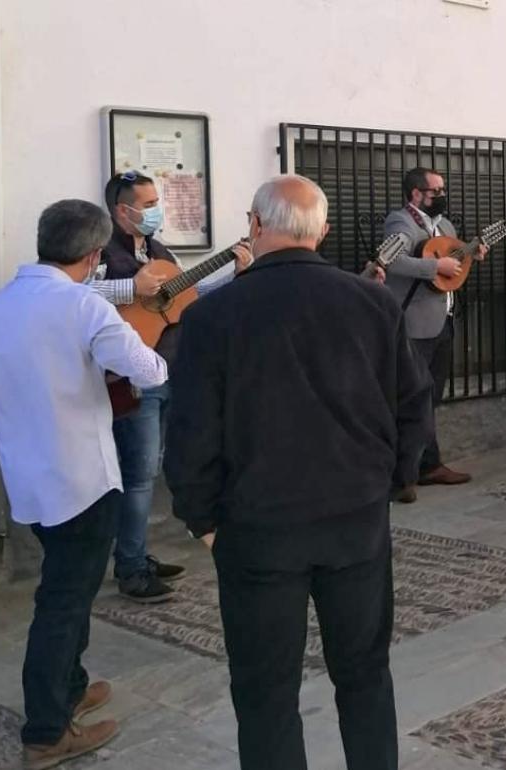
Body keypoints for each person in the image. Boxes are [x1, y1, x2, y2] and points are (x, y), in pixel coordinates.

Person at [164, 175, 432, 770]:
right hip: (355, 525)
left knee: (265, 695)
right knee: (364, 677)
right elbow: (415, 406)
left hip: (258, 532)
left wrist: (202, 520)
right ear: (323, 233)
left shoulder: (213, 317)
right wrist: (389, 485)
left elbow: (188, 435)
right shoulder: (372, 302)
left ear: (255, 227)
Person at [0, 200, 168, 768]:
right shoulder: (83, 308)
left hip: (30, 478)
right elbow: (149, 370)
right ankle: (45, 731)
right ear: (93, 256)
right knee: (63, 602)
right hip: (82, 480)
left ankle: (70, 685)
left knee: (69, 589)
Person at [92, 170, 251, 603]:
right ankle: (130, 568)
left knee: (154, 470)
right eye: (146, 204)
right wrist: (130, 286)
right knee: (139, 475)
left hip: (172, 371)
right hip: (132, 379)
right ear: (120, 210)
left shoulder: (158, 251)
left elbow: (187, 295)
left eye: (156, 201)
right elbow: (78, 292)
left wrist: (234, 271)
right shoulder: (100, 251)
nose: (154, 210)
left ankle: (138, 555)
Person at [366, 167, 482, 503]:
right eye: (436, 191)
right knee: (412, 399)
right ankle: (402, 475)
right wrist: (435, 267)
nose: (442, 195)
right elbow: (392, 260)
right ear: (416, 194)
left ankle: (429, 464)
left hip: (442, 319)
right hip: (415, 323)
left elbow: (454, 264)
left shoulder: (444, 226)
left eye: (443, 189)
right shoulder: (399, 222)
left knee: (432, 397)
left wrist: (471, 256)